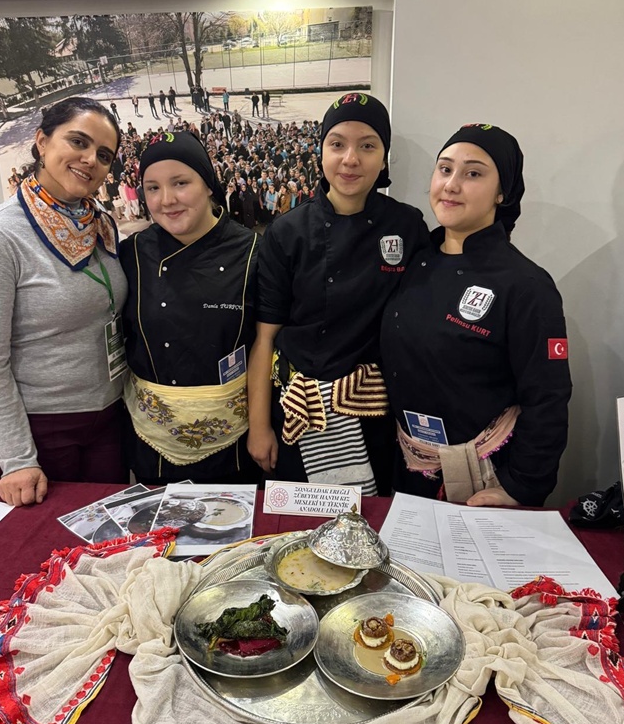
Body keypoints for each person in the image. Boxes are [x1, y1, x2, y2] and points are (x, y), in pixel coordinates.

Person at [246, 92, 430, 496]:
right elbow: (265, 337)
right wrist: (258, 426)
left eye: (367, 146)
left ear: (384, 159)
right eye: (337, 144)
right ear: (321, 152)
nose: (350, 159)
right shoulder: (287, 232)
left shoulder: (407, 226)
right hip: (299, 408)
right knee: (296, 523)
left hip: (375, 410)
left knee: (371, 519)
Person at [380, 123, 572, 507]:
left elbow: (547, 397)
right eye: (445, 169)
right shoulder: (411, 265)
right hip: (406, 470)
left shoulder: (526, 284)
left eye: (473, 174)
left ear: (503, 192)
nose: (451, 185)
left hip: (485, 477)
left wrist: (520, 487)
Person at [0, 97, 129, 507]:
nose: (91, 160)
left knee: (109, 541)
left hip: (107, 420)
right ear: (42, 141)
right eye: (78, 142)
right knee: (41, 545)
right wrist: (18, 458)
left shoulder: (99, 223)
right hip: (38, 431)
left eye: (104, 155)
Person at [119, 131, 260, 485]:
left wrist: (262, 427)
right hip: (151, 440)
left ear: (209, 184)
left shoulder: (254, 252)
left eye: (180, 183)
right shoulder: (131, 253)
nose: (167, 200)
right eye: (152, 188)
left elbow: (265, 347)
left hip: (236, 442)